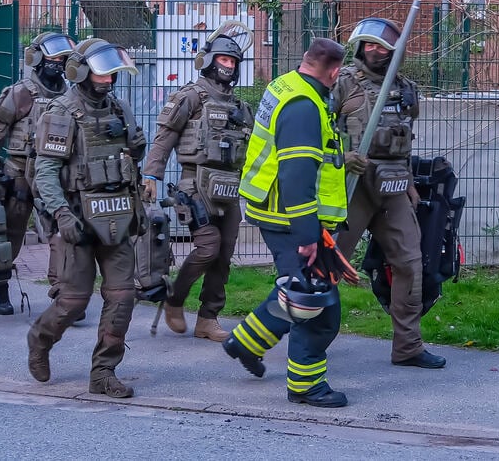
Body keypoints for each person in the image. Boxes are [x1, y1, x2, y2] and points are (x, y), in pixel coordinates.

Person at [223, 37, 350, 408]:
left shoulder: (287, 84)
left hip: (275, 210)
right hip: (289, 216)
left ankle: (244, 343)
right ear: (336, 71)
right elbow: (297, 175)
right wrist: (309, 234)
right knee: (318, 303)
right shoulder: (303, 105)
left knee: (299, 289)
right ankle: (306, 386)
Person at [26, 38, 147, 399]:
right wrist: (61, 212)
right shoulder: (61, 112)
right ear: (80, 72)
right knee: (74, 301)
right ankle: (40, 338)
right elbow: (45, 171)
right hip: (77, 219)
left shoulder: (120, 108)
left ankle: (104, 372)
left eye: (112, 74)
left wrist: (135, 145)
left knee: (123, 296)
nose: (108, 80)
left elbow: (132, 153)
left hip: (117, 216)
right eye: (102, 74)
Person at [332, 18, 446, 369]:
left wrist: (409, 182)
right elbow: (316, 132)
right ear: (359, 48)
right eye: (369, 45)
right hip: (351, 189)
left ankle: (408, 347)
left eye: (382, 46)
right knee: (329, 266)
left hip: (394, 188)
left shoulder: (407, 89)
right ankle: (305, 338)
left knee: (410, 266)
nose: (375, 51)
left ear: (395, 51)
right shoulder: (342, 84)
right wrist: (339, 158)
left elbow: (405, 140)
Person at [141, 21, 254, 341]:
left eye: (233, 62)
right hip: (194, 186)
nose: (228, 67)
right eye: (223, 60)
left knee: (224, 254)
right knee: (207, 248)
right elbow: (165, 137)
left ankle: (208, 318)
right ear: (208, 60)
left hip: (229, 188)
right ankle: (175, 299)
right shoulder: (190, 96)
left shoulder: (240, 107)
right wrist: (152, 174)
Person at [0, 31, 76, 315]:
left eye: (63, 58)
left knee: (61, 232)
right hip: (18, 173)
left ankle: (63, 293)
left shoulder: (71, 95)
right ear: (37, 58)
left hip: (54, 174)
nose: (58, 62)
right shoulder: (21, 92)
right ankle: (0, 286)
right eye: (53, 57)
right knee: (9, 235)